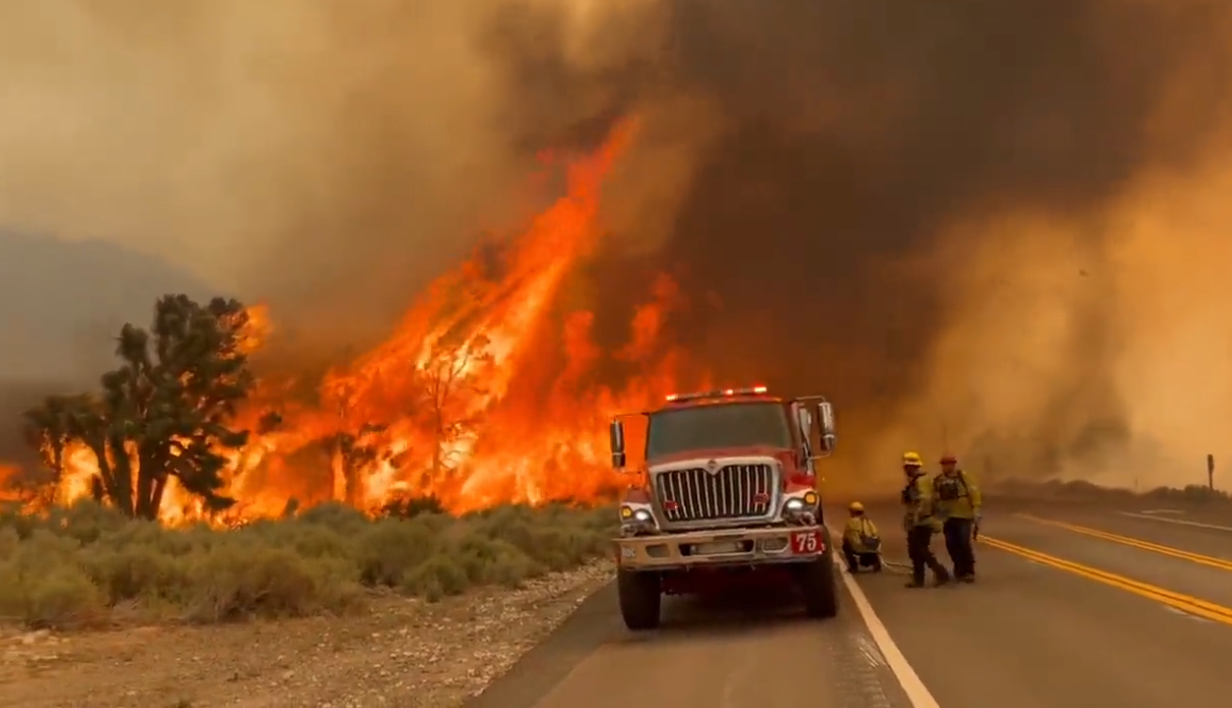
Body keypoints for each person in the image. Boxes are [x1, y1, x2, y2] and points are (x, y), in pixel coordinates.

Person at [900, 451, 950, 588]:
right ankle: (919, 579)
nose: (905, 470)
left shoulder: (922, 480)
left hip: (922, 521)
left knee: (921, 550)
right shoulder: (915, 480)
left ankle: (941, 573)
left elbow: (925, 499)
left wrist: (917, 516)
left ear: (913, 466)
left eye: (907, 467)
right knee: (915, 551)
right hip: (915, 521)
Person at [933, 453, 981, 583]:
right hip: (948, 516)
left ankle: (969, 570)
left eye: (949, 464)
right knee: (951, 544)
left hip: (964, 515)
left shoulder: (963, 477)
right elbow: (935, 498)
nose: (946, 467)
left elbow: (974, 492)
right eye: (944, 465)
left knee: (964, 543)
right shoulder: (938, 480)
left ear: (953, 465)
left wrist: (976, 508)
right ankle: (959, 568)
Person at [841, 502, 883, 573]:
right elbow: (875, 532)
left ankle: (853, 566)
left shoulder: (850, 522)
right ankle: (876, 563)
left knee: (845, 545)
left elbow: (846, 537)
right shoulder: (868, 521)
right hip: (872, 547)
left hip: (858, 548)